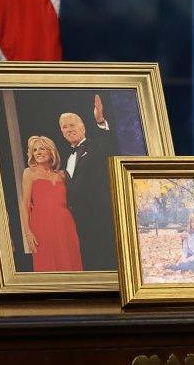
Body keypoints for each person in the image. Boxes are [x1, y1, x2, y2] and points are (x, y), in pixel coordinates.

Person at [60, 94, 119, 271]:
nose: (68, 129)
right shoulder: (65, 157)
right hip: (76, 220)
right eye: (64, 127)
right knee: (87, 260)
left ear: (83, 127)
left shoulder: (97, 146)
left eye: (72, 125)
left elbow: (110, 141)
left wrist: (100, 120)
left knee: (105, 260)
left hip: (100, 217)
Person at [20, 135, 82, 272]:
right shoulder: (29, 173)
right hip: (41, 225)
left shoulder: (62, 175)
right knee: (46, 264)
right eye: (35, 150)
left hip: (65, 224)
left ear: (51, 151)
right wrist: (28, 232)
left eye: (42, 148)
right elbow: (25, 205)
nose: (38, 152)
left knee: (70, 261)